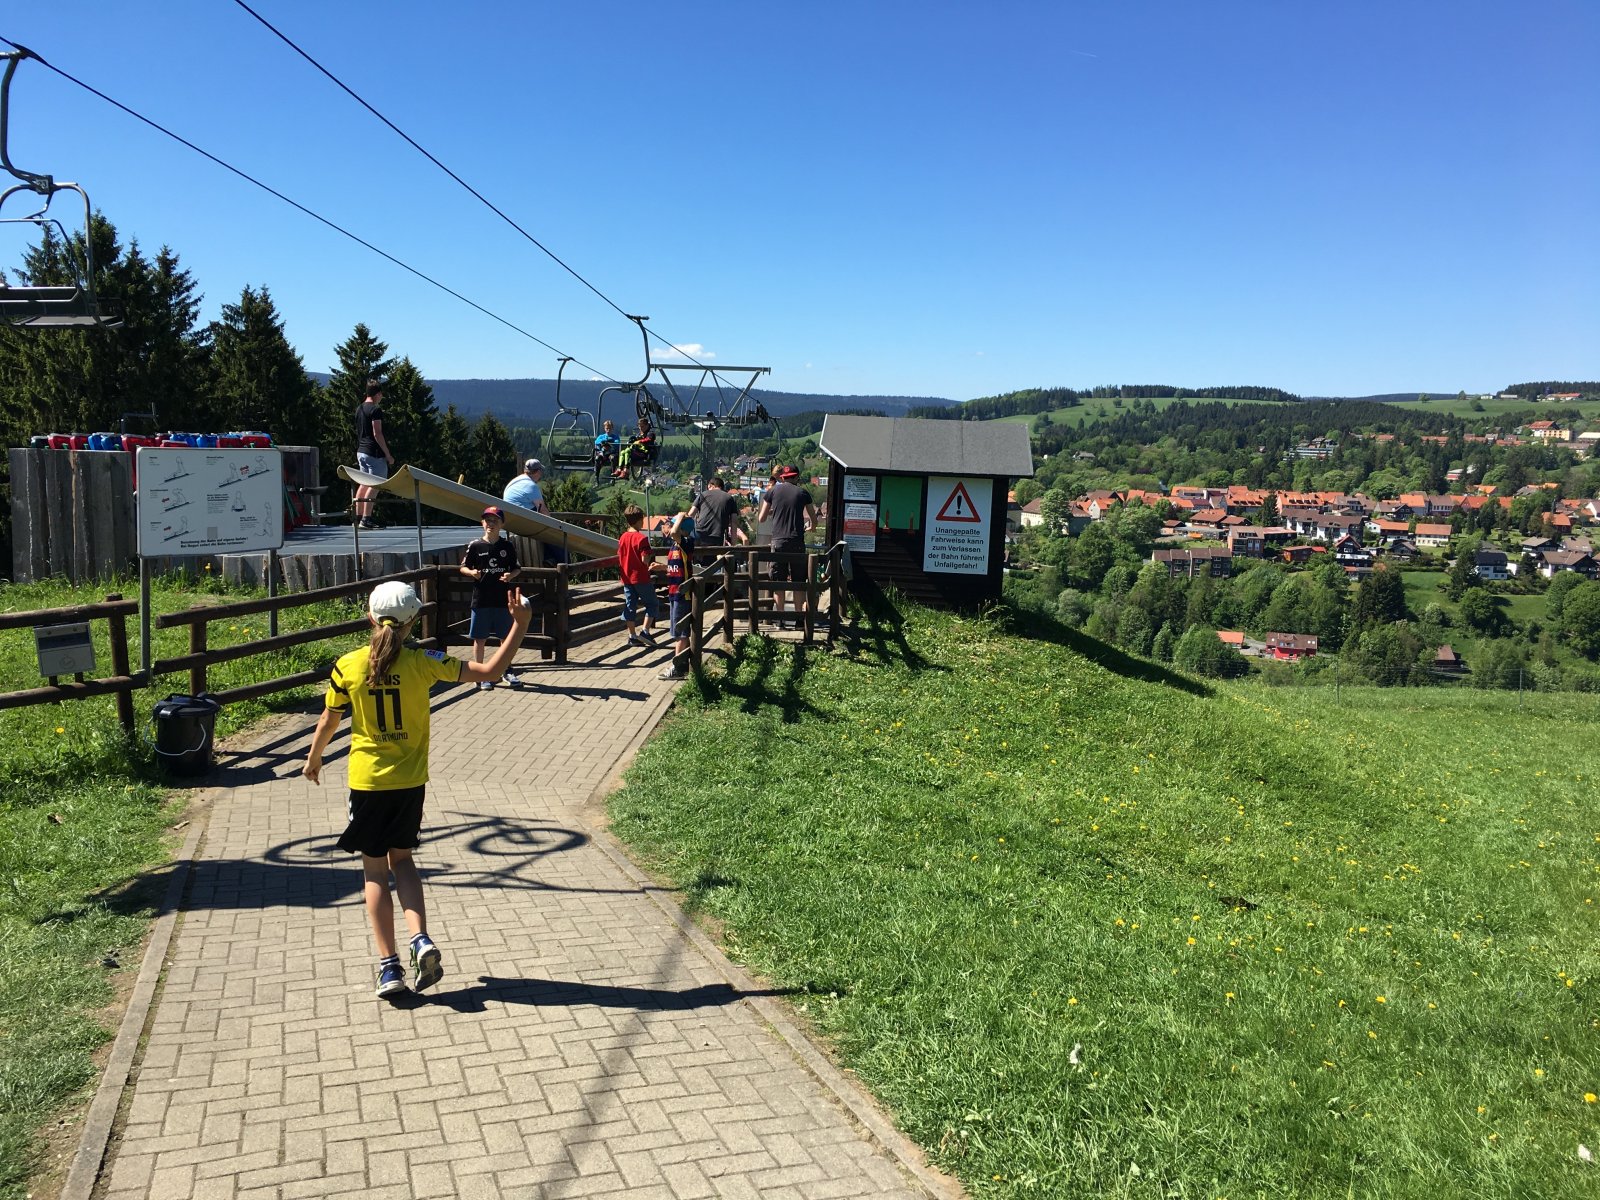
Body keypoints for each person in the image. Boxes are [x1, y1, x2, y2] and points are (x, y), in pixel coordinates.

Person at [303, 579, 531, 998]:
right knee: (403, 862)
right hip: (409, 784)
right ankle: (420, 939)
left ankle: (389, 967)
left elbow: (328, 720)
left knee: (375, 871)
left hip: (367, 783)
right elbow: (490, 672)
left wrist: (314, 758)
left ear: (369, 618)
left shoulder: (347, 665)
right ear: (414, 622)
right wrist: (520, 624)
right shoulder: (425, 661)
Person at [461, 507, 523, 689]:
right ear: (482, 523)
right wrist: (471, 573)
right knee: (479, 638)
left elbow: (517, 568)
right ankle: (480, 674)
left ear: (502, 524)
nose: (491, 524)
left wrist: (510, 576)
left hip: (503, 600)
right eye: (487, 520)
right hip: (481, 600)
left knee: (506, 638)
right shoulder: (475, 545)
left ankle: (507, 670)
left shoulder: (507, 546)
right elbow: (463, 567)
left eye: (495, 520)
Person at [756, 465, 817, 625]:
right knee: (798, 582)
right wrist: (812, 527)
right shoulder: (803, 493)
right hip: (797, 542)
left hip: (778, 541)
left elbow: (761, 518)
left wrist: (774, 512)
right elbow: (814, 519)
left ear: (782, 477)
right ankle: (798, 620)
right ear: (796, 477)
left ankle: (781, 619)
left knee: (778, 583)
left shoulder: (772, 491)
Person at [353, 379, 393, 530]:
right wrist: (387, 454)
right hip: (374, 453)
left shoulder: (359, 409)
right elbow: (377, 433)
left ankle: (358, 517)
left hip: (361, 452)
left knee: (363, 484)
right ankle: (366, 519)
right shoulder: (375, 410)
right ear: (377, 394)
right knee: (376, 484)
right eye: (381, 395)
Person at [617, 504, 660, 646]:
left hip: (626, 577)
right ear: (639, 520)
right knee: (652, 603)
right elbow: (644, 559)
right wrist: (649, 563)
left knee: (630, 606)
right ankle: (645, 631)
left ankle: (632, 636)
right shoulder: (641, 539)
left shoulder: (623, 537)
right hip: (640, 577)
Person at [660, 513, 696, 680]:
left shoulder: (686, 542)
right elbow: (676, 567)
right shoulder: (676, 545)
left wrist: (681, 515)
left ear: (682, 529)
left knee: (680, 633)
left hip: (682, 594)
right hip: (674, 592)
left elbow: (674, 532)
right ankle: (683, 665)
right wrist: (661, 568)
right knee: (678, 631)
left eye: (673, 524)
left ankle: (678, 667)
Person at [687, 475, 746, 548]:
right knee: (714, 555)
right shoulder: (730, 498)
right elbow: (734, 522)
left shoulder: (702, 495)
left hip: (699, 534)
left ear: (710, 485)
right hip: (717, 537)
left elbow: (690, 514)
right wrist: (733, 545)